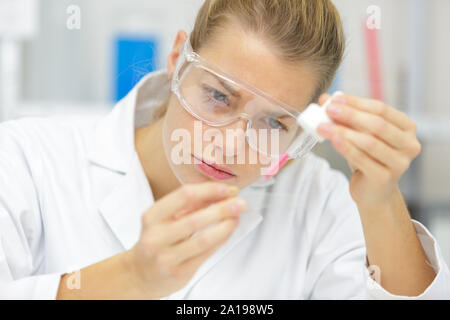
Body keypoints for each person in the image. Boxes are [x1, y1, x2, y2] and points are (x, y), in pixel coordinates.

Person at [0, 0, 449, 300]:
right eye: (218, 96)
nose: (232, 146)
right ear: (178, 57)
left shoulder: (320, 202)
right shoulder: (29, 161)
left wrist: (381, 200)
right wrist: (131, 279)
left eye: (273, 122)